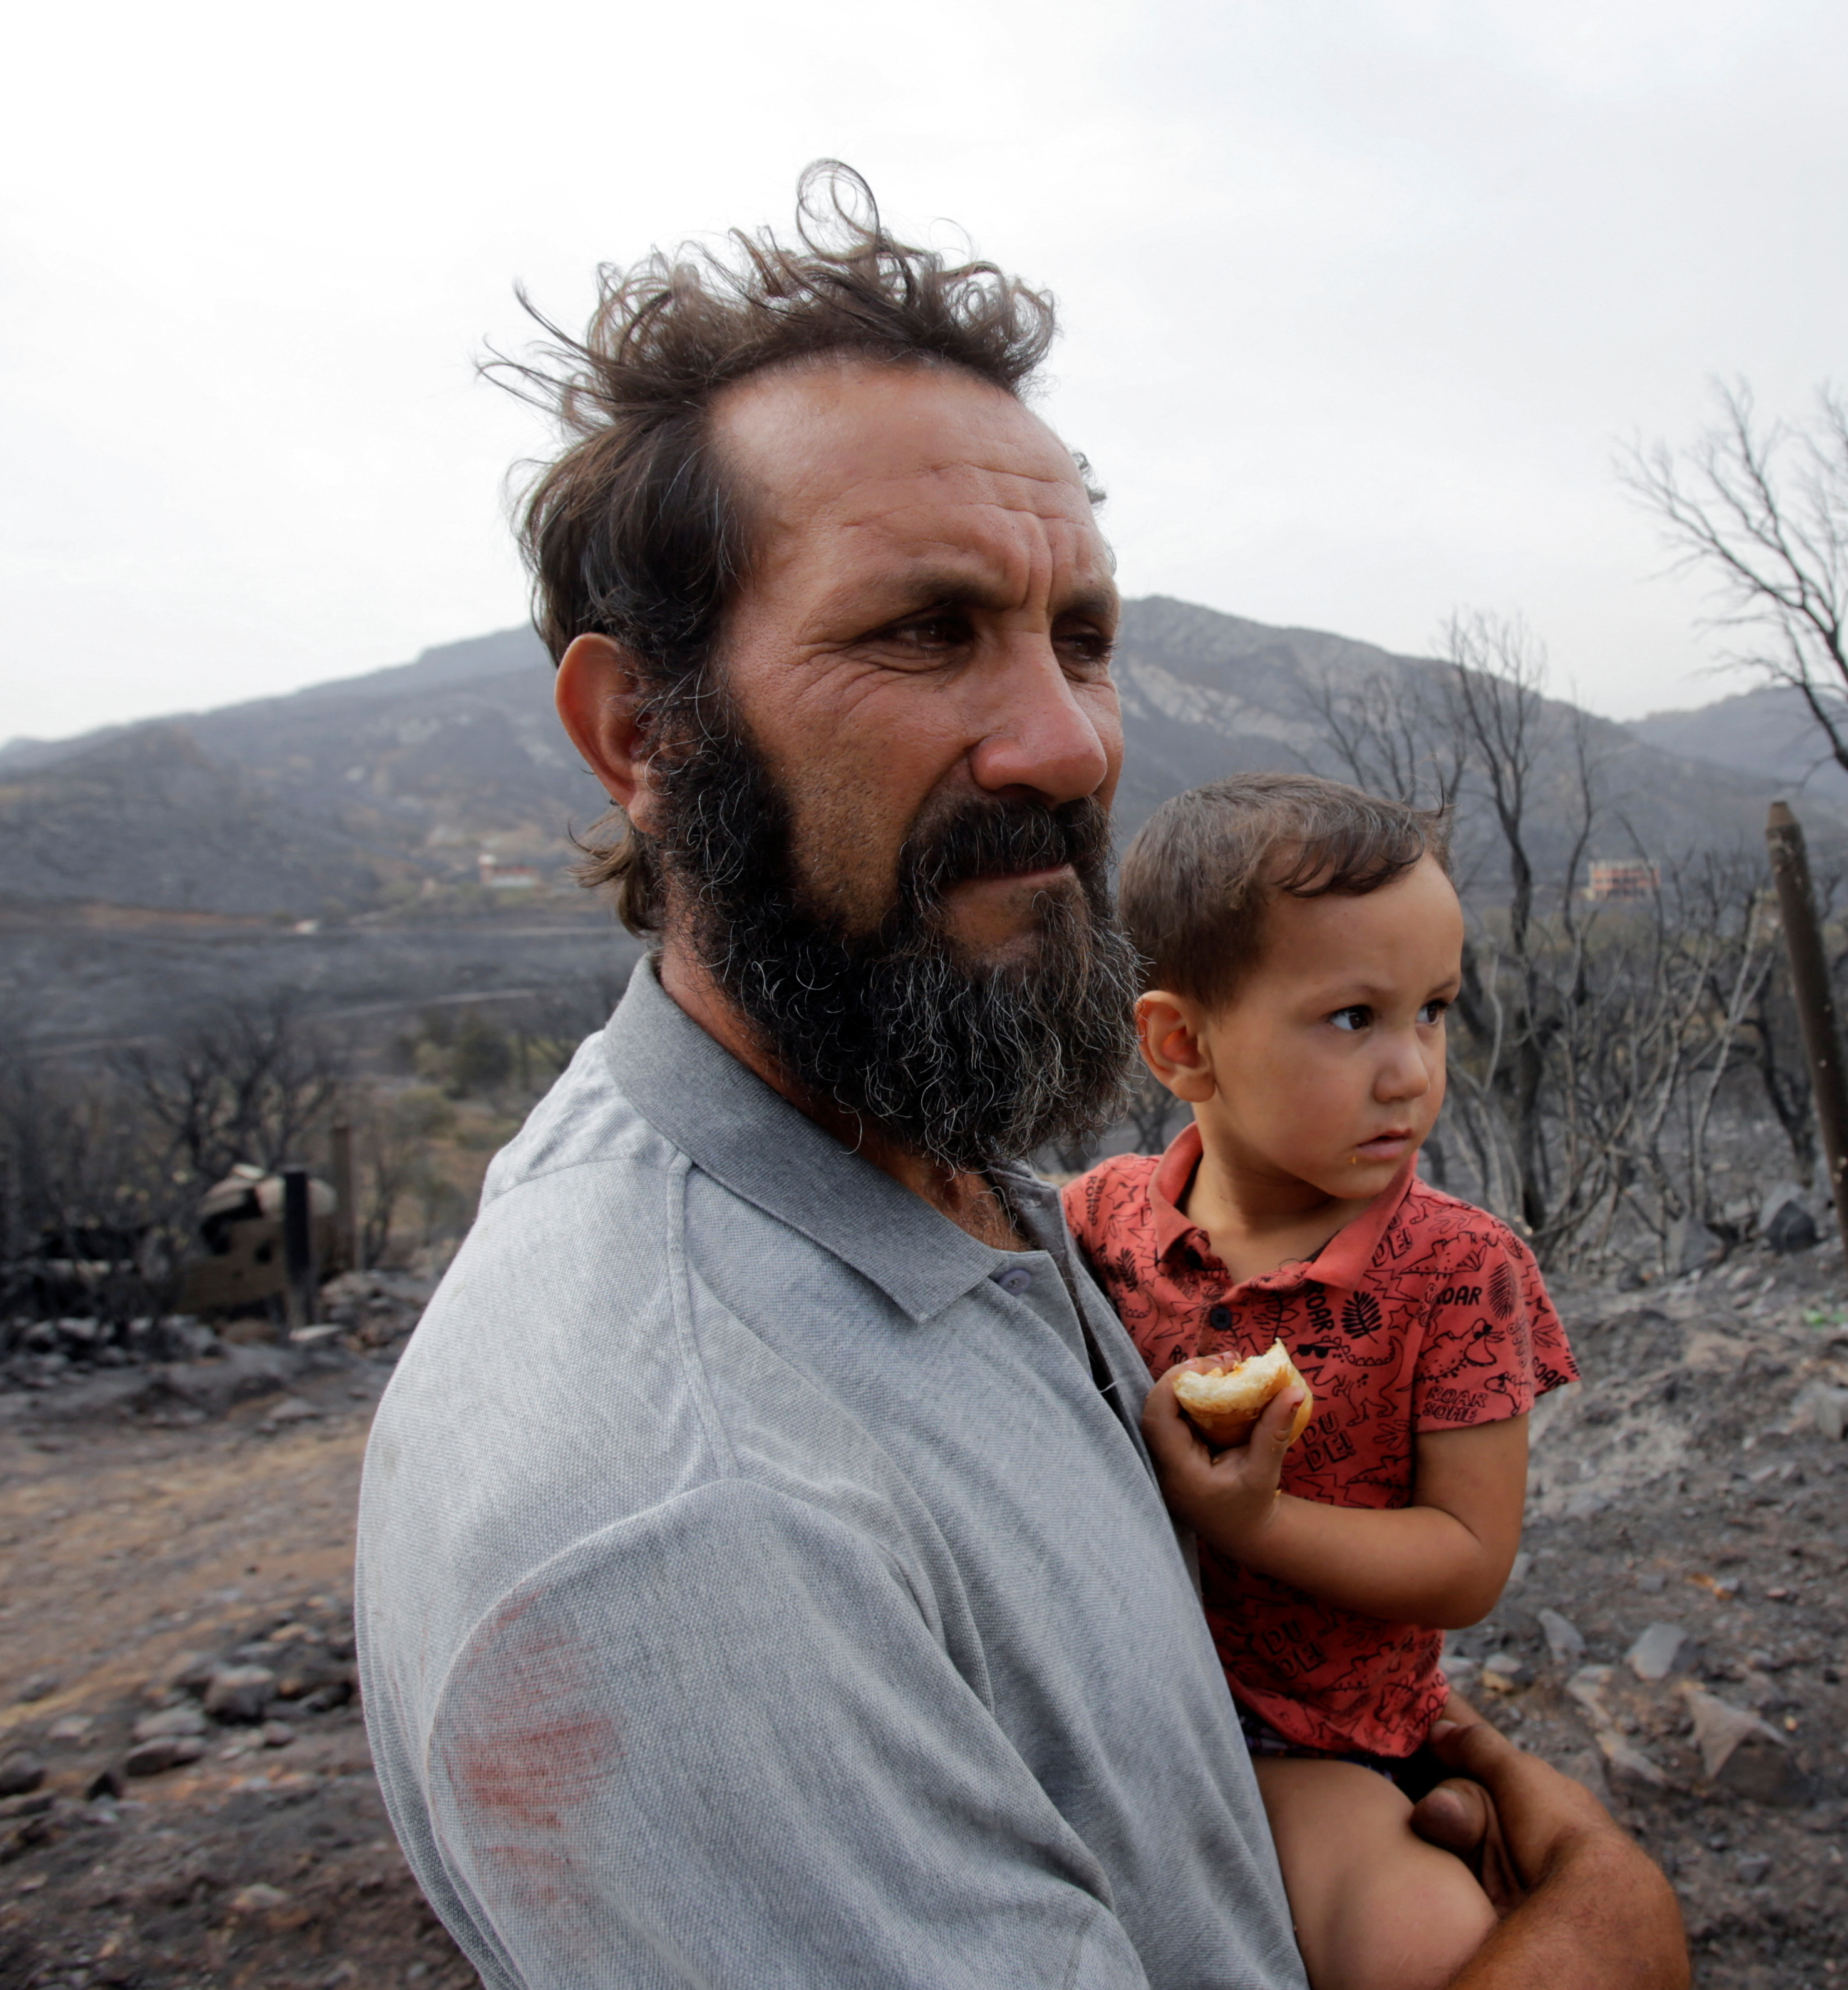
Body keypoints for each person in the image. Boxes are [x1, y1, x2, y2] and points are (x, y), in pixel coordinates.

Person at [353, 162, 1688, 1990]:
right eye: (924, 630)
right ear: (642, 735)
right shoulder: (692, 1524)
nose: (1067, 743)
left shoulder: (941, 1175)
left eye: (1082, 638)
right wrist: (1598, 1951)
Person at [1065, 775, 1568, 1990]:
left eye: (1434, 1011)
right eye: (1352, 1018)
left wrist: (1257, 1521)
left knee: (1417, 1946)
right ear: (1184, 1044)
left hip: (1311, 1738)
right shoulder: (1099, 1225)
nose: (1411, 1069)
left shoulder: (1458, 1269)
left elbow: (1466, 1556)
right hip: (1101, 1700)